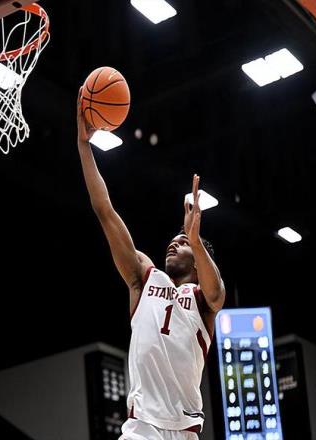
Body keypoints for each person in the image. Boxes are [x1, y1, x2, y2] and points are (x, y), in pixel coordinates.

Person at [76, 87, 226, 440]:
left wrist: (195, 238)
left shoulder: (202, 301)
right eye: (175, 240)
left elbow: (217, 292)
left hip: (185, 430)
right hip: (142, 428)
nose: (175, 243)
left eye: (183, 243)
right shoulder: (144, 278)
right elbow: (105, 211)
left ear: (198, 259)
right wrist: (83, 146)